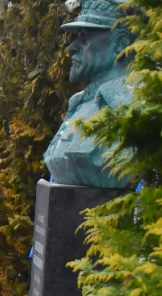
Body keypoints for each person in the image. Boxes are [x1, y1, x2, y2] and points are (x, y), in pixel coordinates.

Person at [43, 0, 134, 188]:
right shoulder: (78, 104)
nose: (72, 47)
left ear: (121, 44)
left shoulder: (132, 106)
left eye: (85, 37)